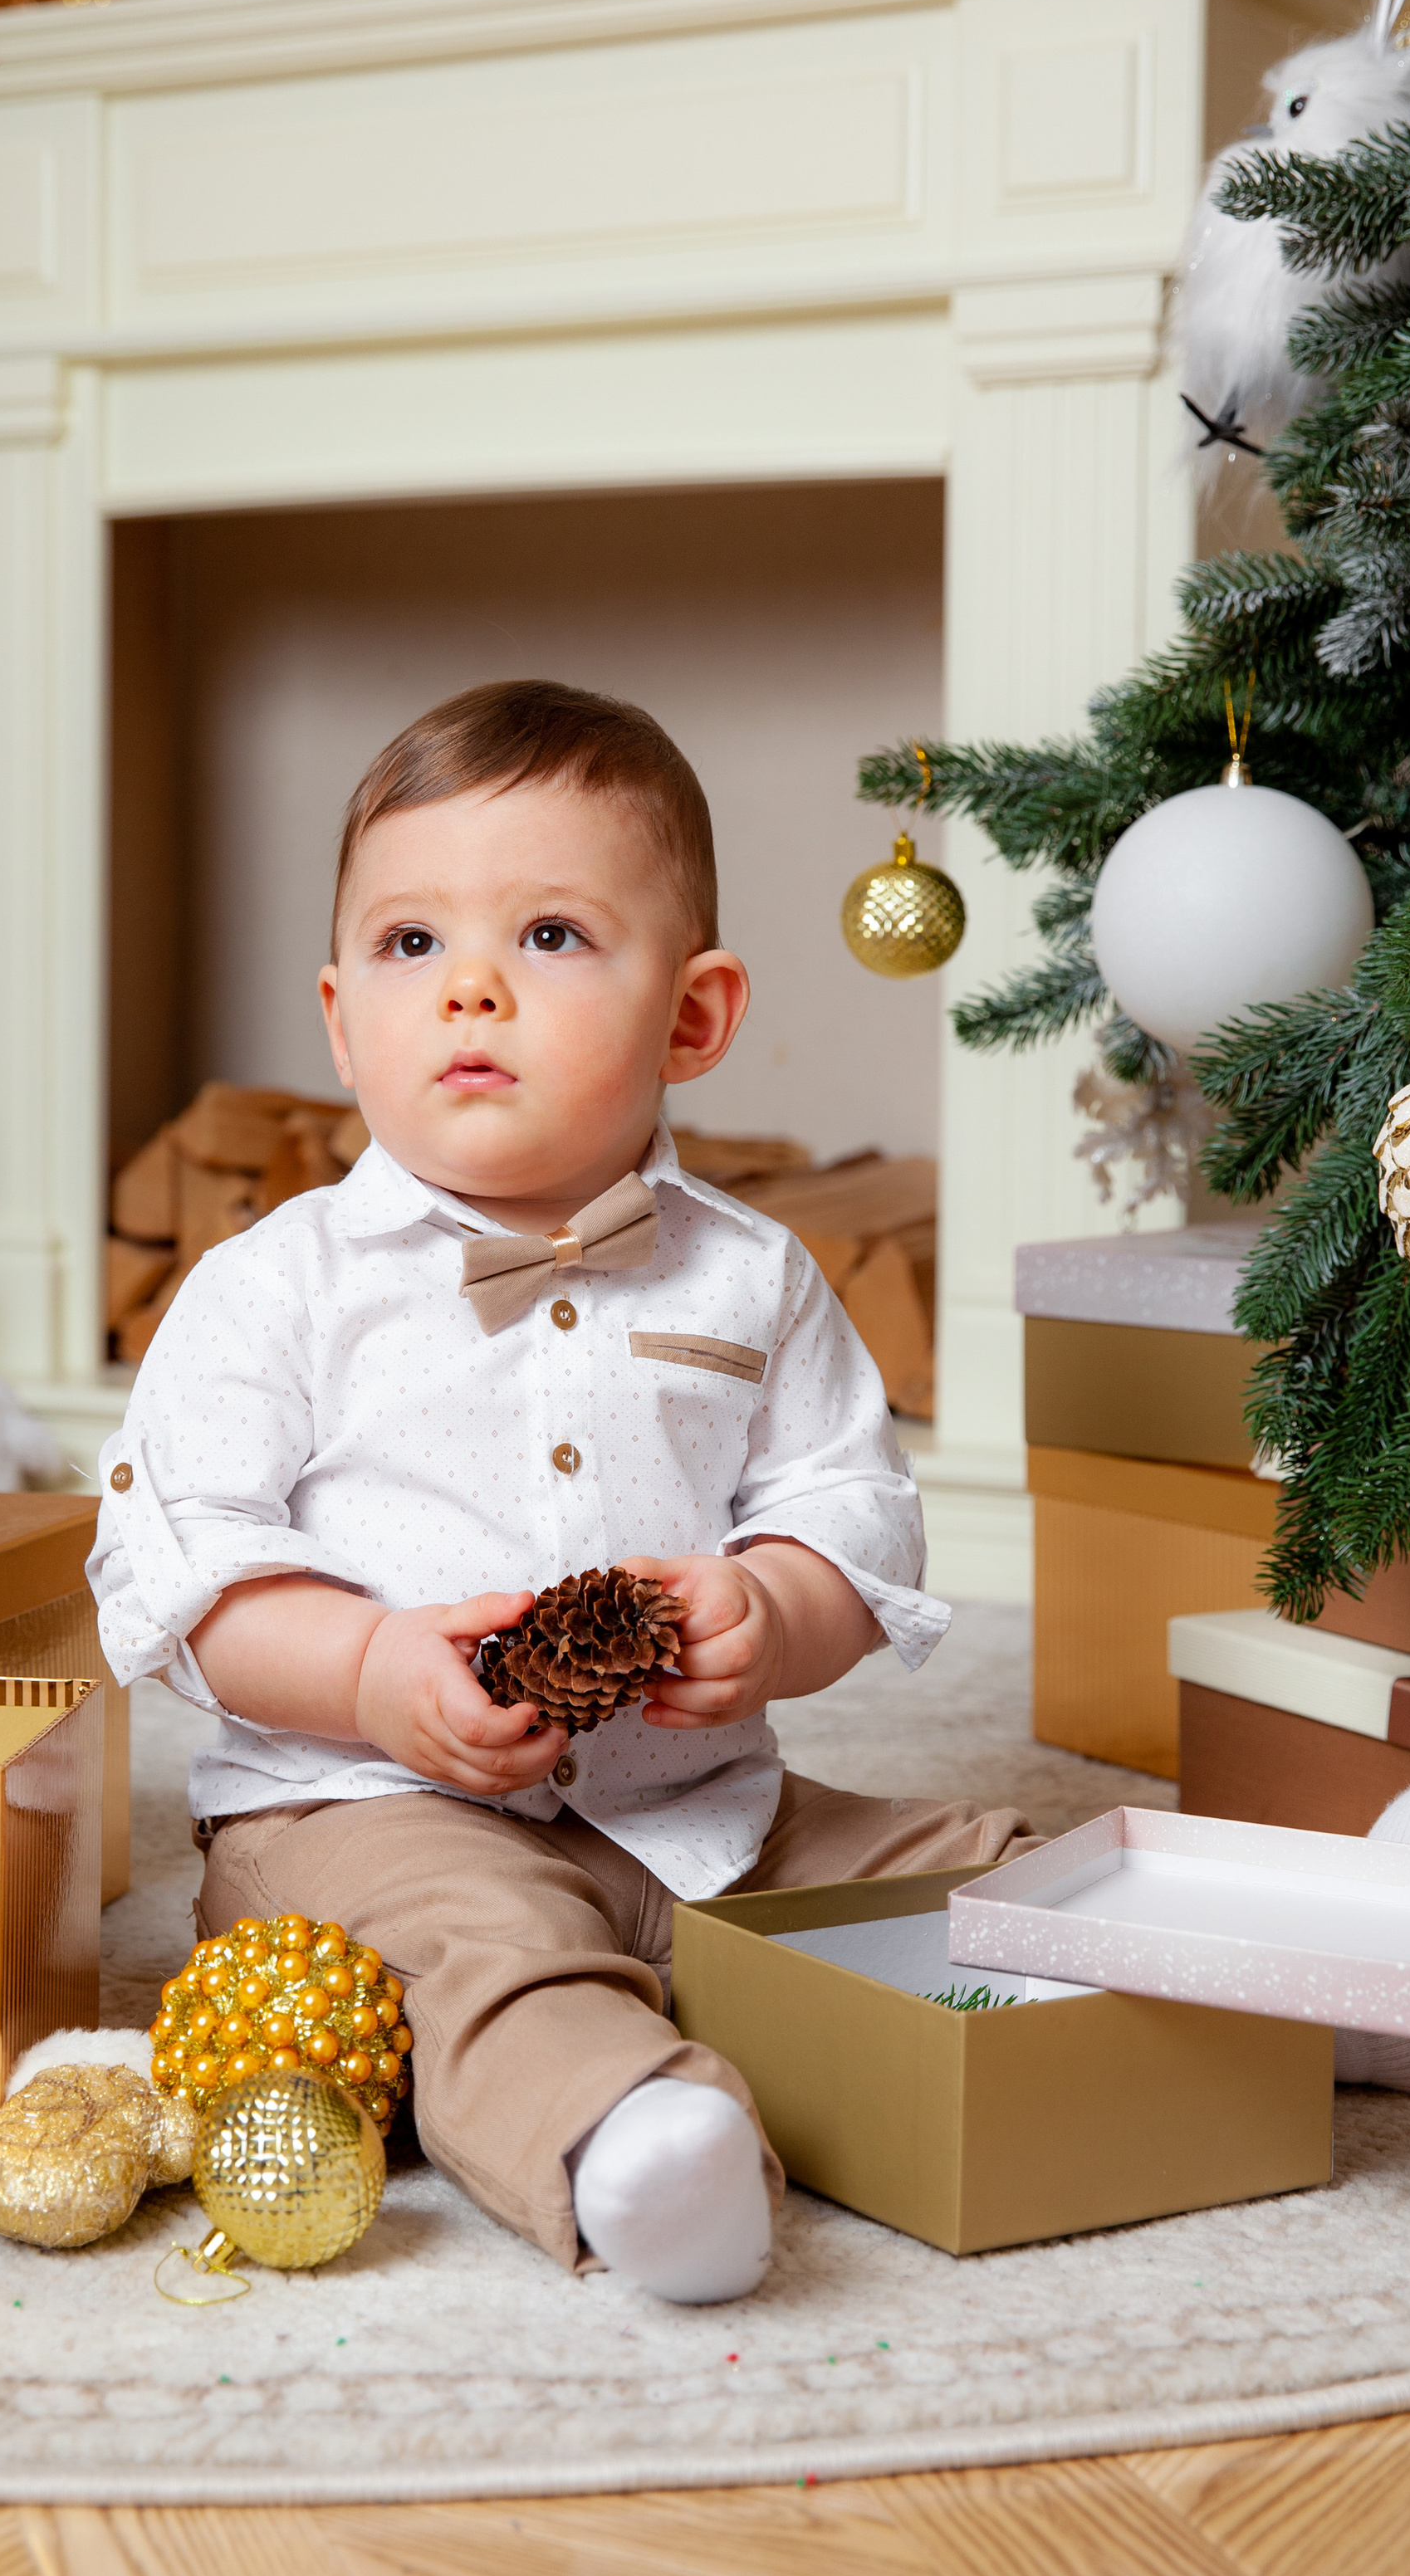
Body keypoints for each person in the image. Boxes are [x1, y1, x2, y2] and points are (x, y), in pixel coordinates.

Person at [89, 680, 1034, 2303]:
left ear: (692, 1016)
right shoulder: (271, 1290)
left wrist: (774, 1610)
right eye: (408, 947)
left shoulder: (753, 1276)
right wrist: (374, 1672)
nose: (467, 989)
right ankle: (632, 2140)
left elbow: (845, 1512)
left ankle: (1293, 2003)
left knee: (981, 1868)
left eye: (546, 938)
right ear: (337, 1017)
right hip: (365, 1819)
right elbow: (189, 1574)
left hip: (699, 1808)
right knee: (484, 1967)